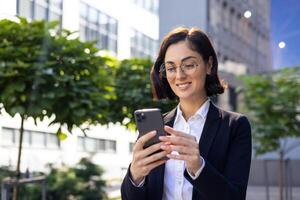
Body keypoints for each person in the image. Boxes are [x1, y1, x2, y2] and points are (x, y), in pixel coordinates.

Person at [121, 27, 252, 200]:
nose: (179, 75)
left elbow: (235, 197)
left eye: (189, 65)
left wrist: (198, 167)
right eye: (171, 68)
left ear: (209, 65)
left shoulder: (234, 126)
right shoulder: (157, 127)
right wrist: (135, 176)